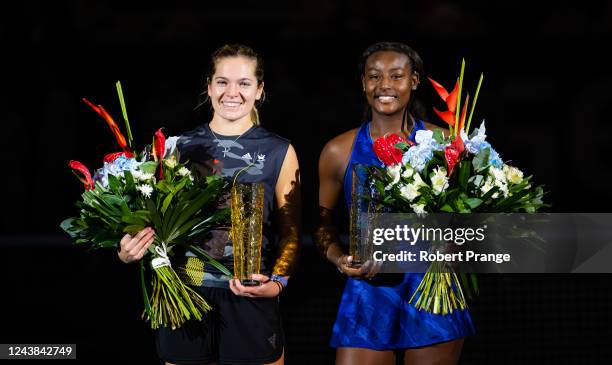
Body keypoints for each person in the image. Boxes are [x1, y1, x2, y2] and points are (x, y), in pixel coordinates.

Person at [118, 44, 301, 365]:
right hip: (184, 294)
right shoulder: (175, 147)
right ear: (208, 86)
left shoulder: (279, 150)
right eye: (222, 81)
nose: (232, 92)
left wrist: (278, 283)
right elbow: (146, 222)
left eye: (244, 83)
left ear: (259, 90)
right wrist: (128, 248)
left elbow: (291, 231)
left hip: (249, 296)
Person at [314, 42, 475, 365]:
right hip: (368, 290)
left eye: (396, 76)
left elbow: (468, 221)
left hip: (430, 287)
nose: (384, 85)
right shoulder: (338, 151)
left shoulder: (446, 144)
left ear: (414, 81)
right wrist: (337, 257)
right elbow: (322, 224)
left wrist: (450, 249)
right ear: (363, 83)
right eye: (374, 76)